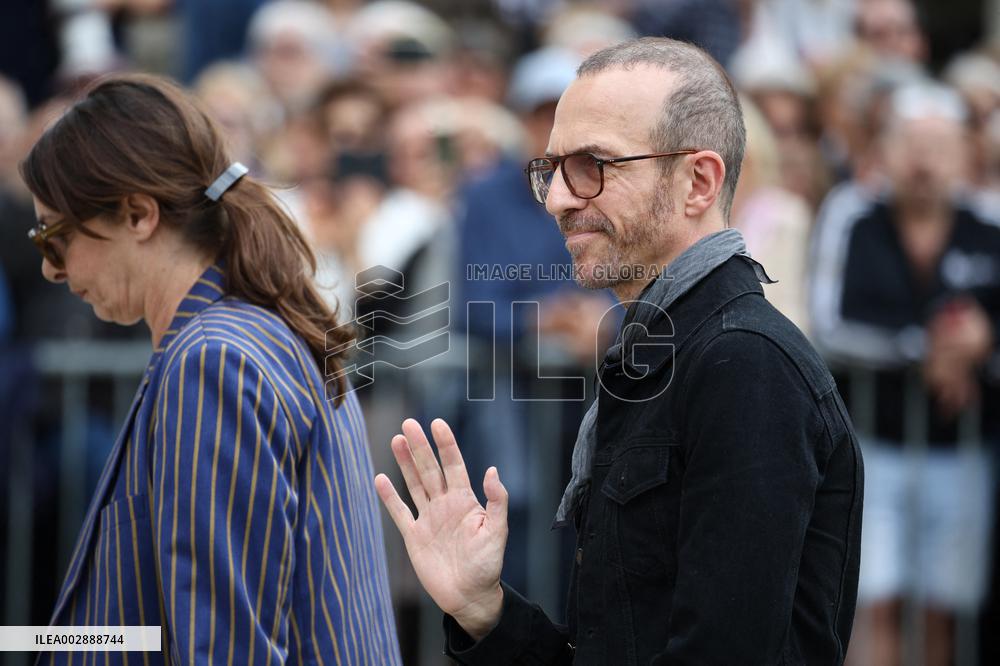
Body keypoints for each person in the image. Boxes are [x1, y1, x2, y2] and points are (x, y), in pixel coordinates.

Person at [375, 37, 863, 664]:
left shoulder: (743, 364)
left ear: (698, 182)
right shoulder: (667, 351)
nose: (557, 198)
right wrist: (483, 609)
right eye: (550, 170)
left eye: (593, 165)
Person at [22, 74, 401, 665]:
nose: (50, 269)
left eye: (52, 236)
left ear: (138, 214)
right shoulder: (248, 336)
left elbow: (229, 647)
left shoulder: (214, 361)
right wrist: (29, 641)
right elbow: (153, 626)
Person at [810, 82, 1000, 666]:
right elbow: (830, 322)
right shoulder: (852, 214)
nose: (924, 160)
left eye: (939, 146)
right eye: (911, 143)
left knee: (944, 609)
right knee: (874, 603)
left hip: (963, 449)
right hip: (872, 448)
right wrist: (932, 348)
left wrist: (982, 342)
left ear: (965, 154)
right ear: (885, 151)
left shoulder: (990, 226)